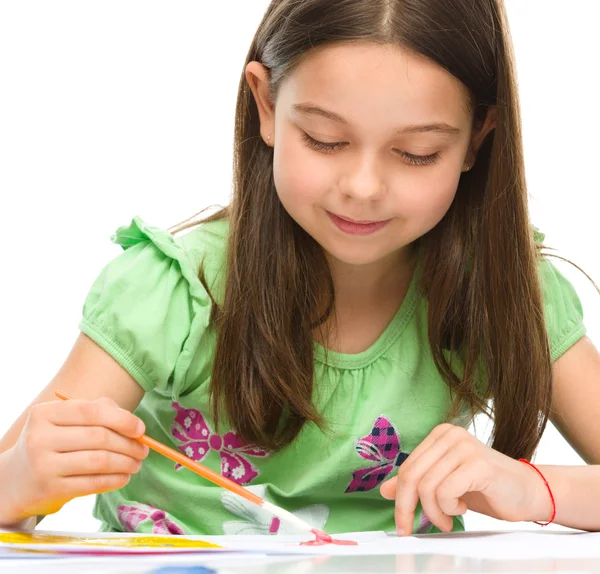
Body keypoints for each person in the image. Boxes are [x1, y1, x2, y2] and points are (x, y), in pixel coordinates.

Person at [1, 0, 599, 538]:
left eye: (417, 153)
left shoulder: (505, 294)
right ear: (265, 105)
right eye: (324, 140)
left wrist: (534, 489)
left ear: (476, 140)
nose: (363, 188)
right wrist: (26, 478)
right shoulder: (178, 290)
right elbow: (12, 491)